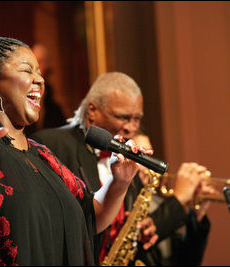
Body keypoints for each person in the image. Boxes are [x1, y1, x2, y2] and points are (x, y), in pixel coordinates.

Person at [0, 31, 142, 266]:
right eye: (27, 70)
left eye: (40, 73)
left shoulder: (42, 156)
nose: (40, 80)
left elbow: (90, 216)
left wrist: (119, 182)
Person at [31, 72, 211, 265]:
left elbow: (141, 229)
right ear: (92, 110)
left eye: (137, 119)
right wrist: (177, 200)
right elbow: (67, 224)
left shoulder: (126, 153)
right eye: (123, 117)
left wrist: (189, 211)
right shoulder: (50, 144)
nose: (131, 128)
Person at [133, 131, 215, 266]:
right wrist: (179, 198)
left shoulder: (158, 204)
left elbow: (184, 261)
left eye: (150, 155)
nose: (147, 165)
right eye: (140, 156)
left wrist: (197, 216)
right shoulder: (119, 204)